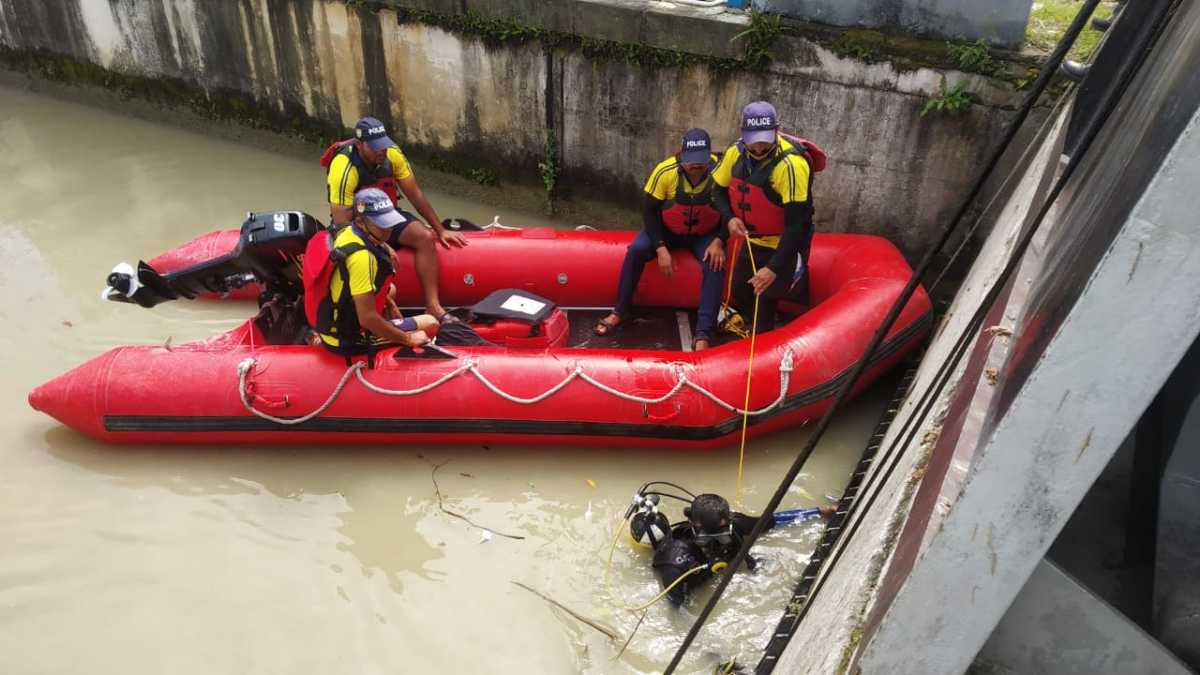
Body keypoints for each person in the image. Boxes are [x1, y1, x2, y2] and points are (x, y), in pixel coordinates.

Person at [322, 116, 467, 322]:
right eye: (375, 148)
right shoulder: (343, 167)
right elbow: (341, 220)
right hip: (357, 226)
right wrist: (379, 244)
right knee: (367, 258)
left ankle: (433, 306)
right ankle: (379, 308)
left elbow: (415, 194)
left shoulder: (392, 154)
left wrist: (440, 229)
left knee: (424, 237)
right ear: (361, 144)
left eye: (383, 145)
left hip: (385, 213)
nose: (382, 151)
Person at [595, 128, 727, 350]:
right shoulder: (664, 172)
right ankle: (620, 310)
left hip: (704, 234)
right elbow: (650, 212)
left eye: (701, 161)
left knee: (715, 264)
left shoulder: (722, 172)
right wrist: (660, 247)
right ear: (681, 156)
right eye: (691, 161)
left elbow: (730, 211)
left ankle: (704, 331)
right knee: (636, 250)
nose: (696, 166)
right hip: (667, 231)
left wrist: (720, 240)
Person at [712, 101, 823, 335]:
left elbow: (797, 225)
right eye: (753, 141)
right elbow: (718, 190)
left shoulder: (791, 166)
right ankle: (743, 327)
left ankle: (763, 336)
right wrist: (730, 218)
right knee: (740, 292)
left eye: (765, 140)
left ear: (776, 130)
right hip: (751, 241)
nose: (759, 148)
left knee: (765, 305)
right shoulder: (735, 152)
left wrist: (772, 268)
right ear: (743, 134)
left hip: (782, 246)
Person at [303, 188, 438, 359]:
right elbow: (367, 319)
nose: (388, 230)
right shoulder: (362, 258)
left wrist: (389, 303)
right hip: (348, 337)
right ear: (360, 221)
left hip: (335, 313)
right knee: (431, 323)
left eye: (389, 222)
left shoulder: (346, 232)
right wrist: (407, 338)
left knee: (392, 290)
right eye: (381, 224)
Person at [651, 493, 834, 606]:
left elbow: (772, 520)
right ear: (692, 524)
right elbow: (677, 608)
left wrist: (818, 512)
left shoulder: (736, 524)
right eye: (710, 532)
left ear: (728, 519)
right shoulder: (675, 561)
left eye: (721, 530)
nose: (718, 537)